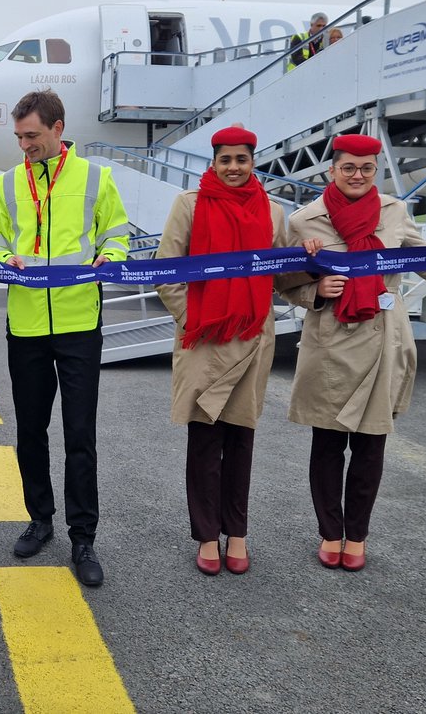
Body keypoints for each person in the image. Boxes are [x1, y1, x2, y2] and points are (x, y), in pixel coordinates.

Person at [280, 134, 426, 572]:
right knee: (328, 445)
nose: (357, 176)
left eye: (366, 168)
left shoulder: (393, 212)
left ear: (375, 171)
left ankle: (358, 536)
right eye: (348, 167)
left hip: (382, 338)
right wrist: (314, 289)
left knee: (371, 447)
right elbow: (285, 281)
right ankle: (330, 533)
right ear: (332, 170)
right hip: (332, 341)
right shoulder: (304, 221)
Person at [0, 90, 130, 588]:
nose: (25, 145)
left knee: (79, 435)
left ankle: (83, 535)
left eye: (33, 136)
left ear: (58, 128)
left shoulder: (95, 177)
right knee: (30, 430)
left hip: (78, 323)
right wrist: (5, 260)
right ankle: (40, 519)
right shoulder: (5, 184)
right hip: (25, 325)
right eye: (20, 137)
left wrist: (112, 255)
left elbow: (116, 232)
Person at [156, 126, 288, 576]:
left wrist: (312, 262)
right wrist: (192, 319)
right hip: (204, 340)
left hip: (251, 337)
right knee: (205, 440)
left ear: (253, 162)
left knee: (242, 441)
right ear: (212, 163)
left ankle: (239, 532)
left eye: (242, 160)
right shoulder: (189, 205)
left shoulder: (273, 210)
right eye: (225, 160)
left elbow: (284, 271)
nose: (233, 168)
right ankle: (208, 536)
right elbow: (166, 269)